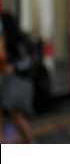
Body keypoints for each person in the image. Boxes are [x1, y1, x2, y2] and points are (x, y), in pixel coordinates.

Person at [0, 11, 35, 144]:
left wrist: (13, 67)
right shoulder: (6, 38)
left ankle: (30, 142)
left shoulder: (17, 40)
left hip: (14, 83)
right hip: (6, 82)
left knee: (16, 115)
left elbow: (27, 62)